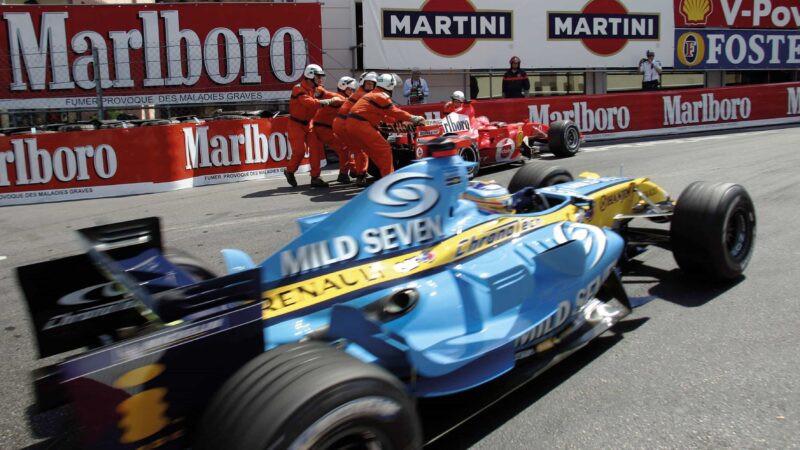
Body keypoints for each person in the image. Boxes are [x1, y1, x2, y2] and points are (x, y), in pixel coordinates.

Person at [347, 74, 426, 185]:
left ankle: (375, 176)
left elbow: (385, 115)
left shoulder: (374, 94)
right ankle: (389, 181)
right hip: (361, 124)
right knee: (385, 149)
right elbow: (394, 111)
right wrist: (414, 118)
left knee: (373, 152)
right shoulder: (381, 96)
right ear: (389, 86)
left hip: (352, 124)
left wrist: (397, 121)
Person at [284, 64, 342, 188]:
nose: (320, 79)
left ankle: (315, 177)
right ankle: (289, 171)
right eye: (318, 77)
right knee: (299, 151)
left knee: (316, 149)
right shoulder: (298, 88)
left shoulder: (316, 89)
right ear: (310, 76)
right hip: (296, 124)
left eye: (321, 77)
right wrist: (330, 101)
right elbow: (310, 104)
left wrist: (347, 101)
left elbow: (329, 94)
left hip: (309, 124)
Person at [332, 71, 377, 182]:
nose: (370, 87)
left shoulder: (358, 94)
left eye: (372, 84)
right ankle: (361, 175)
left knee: (351, 149)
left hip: (340, 125)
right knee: (361, 149)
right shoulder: (362, 95)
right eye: (368, 84)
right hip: (343, 125)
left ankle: (351, 172)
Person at [313, 76, 357, 184]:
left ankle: (353, 169)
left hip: (327, 128)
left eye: (353, 90)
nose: (352, 92)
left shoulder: (341, 98)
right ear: (343, 87)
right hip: (323, 128)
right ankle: (343, 174)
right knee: (344, 148)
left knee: (348, 145)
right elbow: (323, 92)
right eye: (350, 89)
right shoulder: (336, 97)